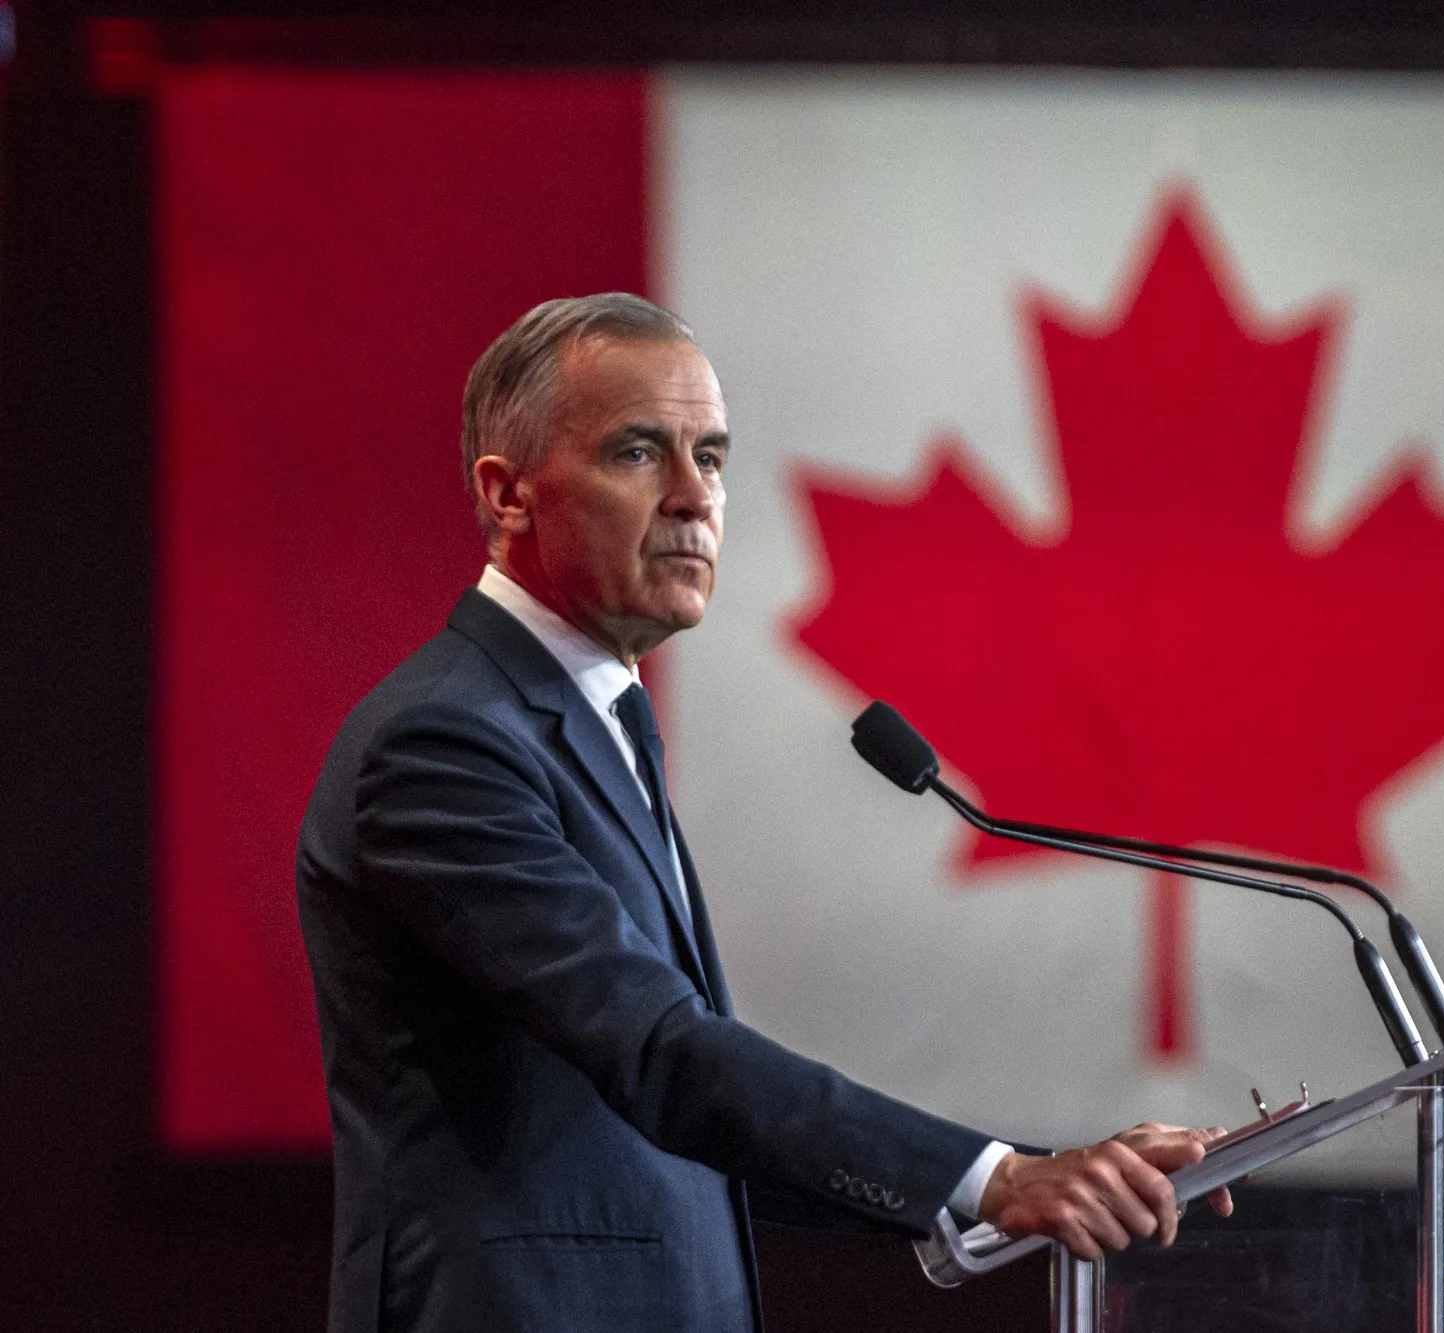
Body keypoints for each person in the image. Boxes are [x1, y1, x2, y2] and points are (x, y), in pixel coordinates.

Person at [296, 293, 1228, 1333]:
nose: (695, 497)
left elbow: (685, 1114)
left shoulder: (595, 719)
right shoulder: (442, 744)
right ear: (508, 495)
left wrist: (1007, 1186)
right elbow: (659, 1053)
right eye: (641, 453)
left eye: (714, 457)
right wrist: (994, 1175)